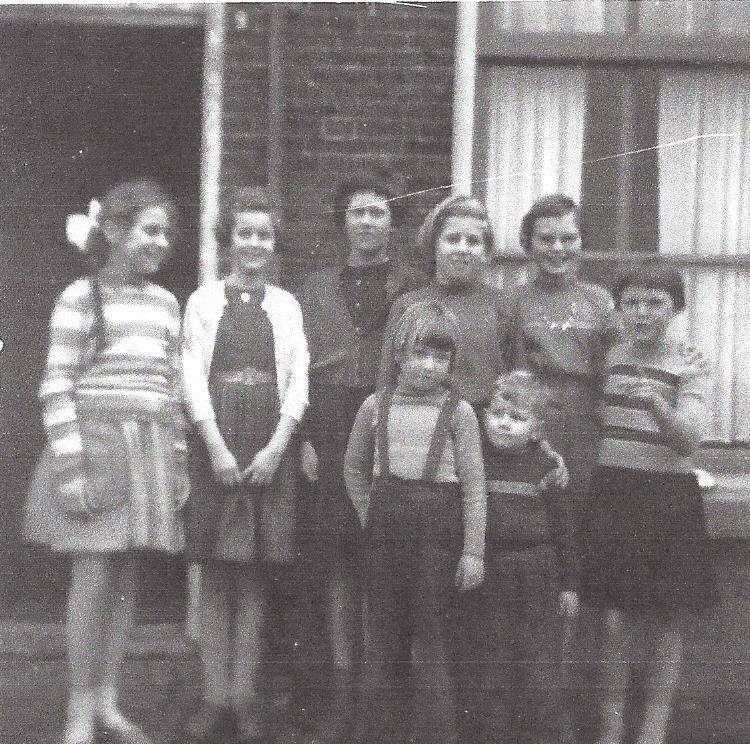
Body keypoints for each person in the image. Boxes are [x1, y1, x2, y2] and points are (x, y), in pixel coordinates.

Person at [23, 180, 187, 744]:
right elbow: (56, 384)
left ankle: (108, 701)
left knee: (125, 578)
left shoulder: (166, 303)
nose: (161, 242)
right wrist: (71, 469)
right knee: (93, 578)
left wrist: (178, 459)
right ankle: (78, 710)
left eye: (167, 233)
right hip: (96, 448)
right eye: (150, 230)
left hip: (150, 449)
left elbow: (171, 386)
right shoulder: (82, 296)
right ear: (115, 232)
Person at [296, 173, 424, 744]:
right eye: (357, 212)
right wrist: (305, 437)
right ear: (342, 221)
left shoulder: (412, 287)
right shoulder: (316, 287)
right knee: (338, 563)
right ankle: (342, 696)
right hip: (329, 422)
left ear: (392, 222)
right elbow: (298, 367)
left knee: (389, 558)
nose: (368, 222)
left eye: (378, 212)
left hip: (391, 420)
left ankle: (385, 698)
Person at [181, 186, 309, 742]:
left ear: (275, 243)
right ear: (228, 240)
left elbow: (298, 378)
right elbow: (191, 375)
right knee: (215, 573)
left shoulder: (286, 305)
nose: (254, 243)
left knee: (255, 573)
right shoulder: (203, 302)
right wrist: (214, 447)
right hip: (217, 439)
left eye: (264, 234)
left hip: (267, 440)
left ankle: (244, 698)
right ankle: (215, 698)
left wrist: (278, 446)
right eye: (245, 233)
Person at [579, 262, 718, 744]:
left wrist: (657, 402)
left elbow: (688, 441)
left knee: (666, 622)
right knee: (615, 620)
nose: (642, 312)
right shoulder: (610, 354)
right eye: (632, 303)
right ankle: (611, 730)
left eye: (655, 303)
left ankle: (652, 733)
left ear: (676, 308)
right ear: (619, 309)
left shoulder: (690, 364)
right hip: (614, 493)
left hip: (666, 499)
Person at [344, 300, 486, 744]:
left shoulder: (459, 413)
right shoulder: (374, 406)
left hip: (437, 538)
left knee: (432, 642)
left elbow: (474, 487)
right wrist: (370, 513)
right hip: (386, 535)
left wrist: (473, 551)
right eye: (420, 353)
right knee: (383, 638)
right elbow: (353, 469)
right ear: (398, 353)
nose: (429, 365)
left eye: (441, 357)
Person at [460, 370, 578, 744]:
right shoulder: (475, 460)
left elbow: (564, 531)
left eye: (517, 417)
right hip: (492, 573)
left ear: (537, 427)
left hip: (537, 574)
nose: (504, 423)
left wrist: (569, 585)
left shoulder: (547, 468)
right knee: (491, 661)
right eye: (497, 413)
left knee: (539, 663)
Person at [506, 194, 620, 520]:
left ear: (581, 241)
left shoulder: (599, 300)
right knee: (536, 513)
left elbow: (618, 361)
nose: (558, 248)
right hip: (532, 421)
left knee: (582, 515)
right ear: (528, 243)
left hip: (586, 425)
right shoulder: (512, 300)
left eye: (568, 238)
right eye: (546, 239)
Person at [380, 194, 510, 409]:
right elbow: (387, 380)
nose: (462, 248)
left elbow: (515, 383)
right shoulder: (408, 305)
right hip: (421, 417)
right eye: (452, 239)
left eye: (473, 241)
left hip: (484, 420)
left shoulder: (503, 305)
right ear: (434, 245)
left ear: (486, 252)